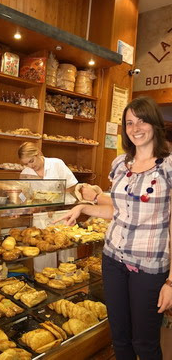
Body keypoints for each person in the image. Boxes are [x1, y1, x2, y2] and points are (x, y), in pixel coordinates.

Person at [56, 96, 172, 360]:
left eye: (142, 120)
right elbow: (118, 211)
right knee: (119, 338)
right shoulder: (120, 164)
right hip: (113, 260)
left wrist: (171, 282)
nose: (136, 127)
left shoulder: (168, 167)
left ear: (155, 123)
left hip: (149, 266)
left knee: (144, 342)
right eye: (129, 122)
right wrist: (84, 208)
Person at [18, 142, 78, 270]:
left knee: (68, 251)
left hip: (62, 213)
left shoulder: (56, 164)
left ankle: (70, 276)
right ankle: (44, 280)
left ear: (38, 153)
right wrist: (20, 203)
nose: (30, 165)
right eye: (26, 163)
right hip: (42, 215)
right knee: (43, 251)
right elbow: (24, 195)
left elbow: (72, 186)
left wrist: (54, 196)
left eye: (31, 161)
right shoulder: (26, 172)